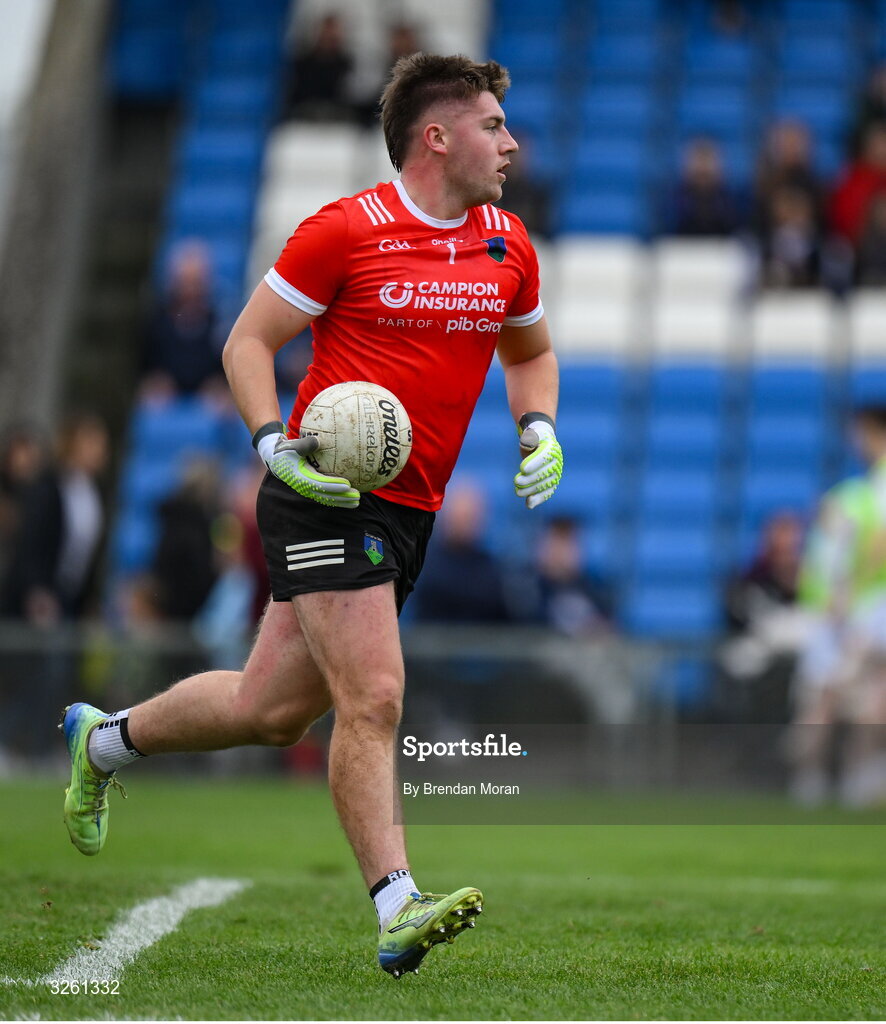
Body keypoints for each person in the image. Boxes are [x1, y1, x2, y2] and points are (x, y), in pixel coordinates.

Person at [60, 54, 563, 978]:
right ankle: (396, 903)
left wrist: (538, 427)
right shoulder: (346, 230)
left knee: (271, 711)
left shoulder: (507, 244)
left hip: (408, 512)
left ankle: (103, 741)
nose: (511, 141)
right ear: (436, 137)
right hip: (322, 491)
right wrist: (268, 442)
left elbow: (529, 351)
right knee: (372, 695)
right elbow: (247, 342)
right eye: (493, 124)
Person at [787, 407, 886, 807]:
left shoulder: (864, 495)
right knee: (837, 695)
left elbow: (877, 546)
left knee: (854, 695)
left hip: (861, 607)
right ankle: (830, 777)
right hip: (843, 608)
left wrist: (847, 592)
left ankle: (841, 777)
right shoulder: (853, 494)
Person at [412, 478, 512, 624]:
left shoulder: (490, 567)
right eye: (459, 517)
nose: (463, 524)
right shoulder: (424, 564)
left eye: (469, 517)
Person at [141, 240, 224, 399]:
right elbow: (146, 366)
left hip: (209, 396)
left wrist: (221, 384)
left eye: (196, 283)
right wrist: (155, 380)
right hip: (167, 395)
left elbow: (225, 367)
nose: (191, 291)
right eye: (185, 283)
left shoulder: (220, 321)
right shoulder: (157, 322)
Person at [282, 13, 355, 123]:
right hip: (306, 117)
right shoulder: (302, 63)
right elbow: (294, 96)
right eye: (326, 31)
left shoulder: (347, 64)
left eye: (332, 32)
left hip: (338, 119)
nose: (328, 36)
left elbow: (350, 96)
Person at [670, 137, 742, 237]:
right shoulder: (673, 203)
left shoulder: (734, 203)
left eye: (708, 160)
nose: (703, 167)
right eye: (698, 160)